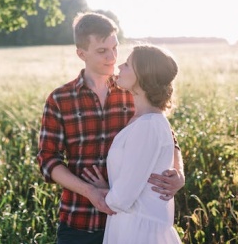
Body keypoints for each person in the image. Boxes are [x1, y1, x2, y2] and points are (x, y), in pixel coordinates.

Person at [37, 12, 184, 244]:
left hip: (129, 222)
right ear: (81, 53)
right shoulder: (60, 99)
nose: (112, 58)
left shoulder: (134, 89)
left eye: (115, 48)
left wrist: (179, 173)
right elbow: (48, 160)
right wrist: (90, 192)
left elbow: (167, 138)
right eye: (102, 51)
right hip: (79, 220)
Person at [83, 44, 183, 243]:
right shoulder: (144, 120)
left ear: (143, 76)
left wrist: (105, 195)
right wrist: (112, 189)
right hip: (128, 224)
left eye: (127, 64)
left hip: (139, 232)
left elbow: (122, 198)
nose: (119, 65)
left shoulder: (149, 126)